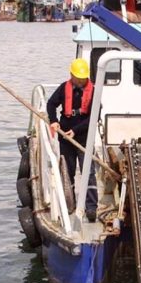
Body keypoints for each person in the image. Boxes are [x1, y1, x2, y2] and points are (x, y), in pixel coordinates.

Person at [46, 58, 98, 222]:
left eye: (83, 78)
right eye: (78, 77)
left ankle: (91, 208)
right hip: (65, 139)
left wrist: (75, 131)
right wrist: (54, 121)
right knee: (67, 172)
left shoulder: (94, 92)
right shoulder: (64, 88)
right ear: (71, 75)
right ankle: (70, 204)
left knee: (88, 173)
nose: (81, 80)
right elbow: (51, 104)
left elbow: (93, 118)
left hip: (83, 139)